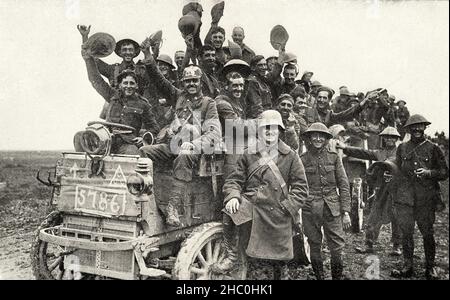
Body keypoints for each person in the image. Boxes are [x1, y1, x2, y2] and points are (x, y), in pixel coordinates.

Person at [214, 110, 309, 279]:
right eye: (265, 128)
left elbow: (301, 188)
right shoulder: (249, 153)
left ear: (280, 131)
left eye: (273, 128)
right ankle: (232, 256)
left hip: (278, 209)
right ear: (259, 131)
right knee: (229, 212)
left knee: (279, 264)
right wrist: (233, 196)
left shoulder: (291, 156)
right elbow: (234, 180)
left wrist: (287, 207)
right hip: (253, 205)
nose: (269, 132)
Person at [139, 40, 222, 227]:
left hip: (194, 151)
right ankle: (145, 200)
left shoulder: (209, 104)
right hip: (173, 145)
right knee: (144, 153)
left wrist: (194, 144)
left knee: (184, 156)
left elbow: (214, 134)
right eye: (187, 81)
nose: (191, 84)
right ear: (183, 83)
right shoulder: (178, 96)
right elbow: (159, 80)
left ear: (200, 82)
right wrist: (147, 56)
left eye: (195, 80)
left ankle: (173, 207)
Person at [391, 115, 448, 279]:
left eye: (420, 126)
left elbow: (445, 172)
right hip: (405, 199)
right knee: (406, 233)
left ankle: (430, 268)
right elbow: (398, 169)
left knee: (427, 233)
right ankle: (407, 266)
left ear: (424, 128)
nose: (417, 129)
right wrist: (390, 175)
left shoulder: (433, 148)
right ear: (408, 129)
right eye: (413, 127)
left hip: (426, 199)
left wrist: (429, 172)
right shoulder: (402, 148)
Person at [76, 45, 159, 155]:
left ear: (136, 86)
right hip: (106, 139)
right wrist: (88, 59)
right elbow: (95, 79)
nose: (128, 86)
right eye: (125, 83)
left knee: (133, 155)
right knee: (80, 138)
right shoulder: (111, 95)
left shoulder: (143, 104)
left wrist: (142, 138)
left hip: (127, 143)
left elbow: (154, 128)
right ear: (120, 85)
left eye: (132, 83)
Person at [336, 126, 402, 255]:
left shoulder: (401, 152)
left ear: (396, 139)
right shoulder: (380, 153)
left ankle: (397, 246)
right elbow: (364, 153)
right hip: (382, 187)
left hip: (397, 187)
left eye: (392, 137)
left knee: (396, 215)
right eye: (387, 137)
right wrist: (345, 148)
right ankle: (369, 244)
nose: (389, 140)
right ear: (383, 139)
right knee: (374, 214)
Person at [300, 122, 352, 280]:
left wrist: (346, 212)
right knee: (314, 244)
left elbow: (343, 185)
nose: (317, 139)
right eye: (313, 136)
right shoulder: (301, 159)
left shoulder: (334, 157)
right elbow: (298, 186)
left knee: (337, 247)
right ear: (308, 138)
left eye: (320, 136)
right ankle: (319, 277)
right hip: (310, 207)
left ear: (325, 138)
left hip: (332, 207)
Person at [302, 86, 369, 127]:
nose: (321, 100)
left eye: (324, 98)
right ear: (316, 98)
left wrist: (362, 104)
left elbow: (345, 114)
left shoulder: (330, 115)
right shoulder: (307, 111)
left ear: (329, 100)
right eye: (319, 97)